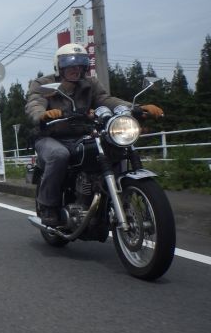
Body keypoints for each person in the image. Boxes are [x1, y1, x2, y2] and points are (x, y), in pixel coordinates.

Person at [25, 43, 163, 226]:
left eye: (80, 65)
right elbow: (35, 102)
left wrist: (136, 107)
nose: (75, 69)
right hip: (50, 135)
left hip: (83, 134)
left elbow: (105, 99)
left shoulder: (90, 83)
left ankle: (110, 196)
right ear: (59, 66)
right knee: (59, 155)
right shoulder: (44, 84)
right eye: (69, 65)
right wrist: (42, 114)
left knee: (113, 146)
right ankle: (48, 205)